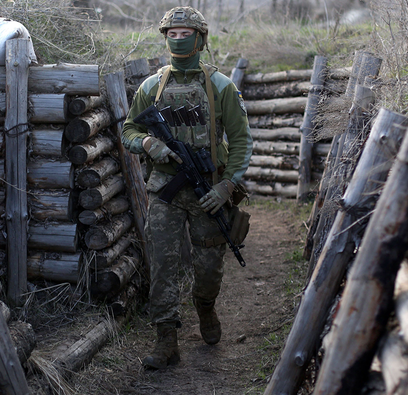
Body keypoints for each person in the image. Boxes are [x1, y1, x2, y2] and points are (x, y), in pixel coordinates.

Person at [121, 6, 253, 370]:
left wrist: (227, 186)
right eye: (171, 33)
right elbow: (129, 129)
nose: (178, 39)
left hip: (209, 193)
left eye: (185, 33)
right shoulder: (152, 86)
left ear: (200, 38)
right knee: (162, 264)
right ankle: (166, 339)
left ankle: (205, 307)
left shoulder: (221, 86)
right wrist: (150, 145)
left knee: (209, 267)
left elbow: (241, 140)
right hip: (165, 188)